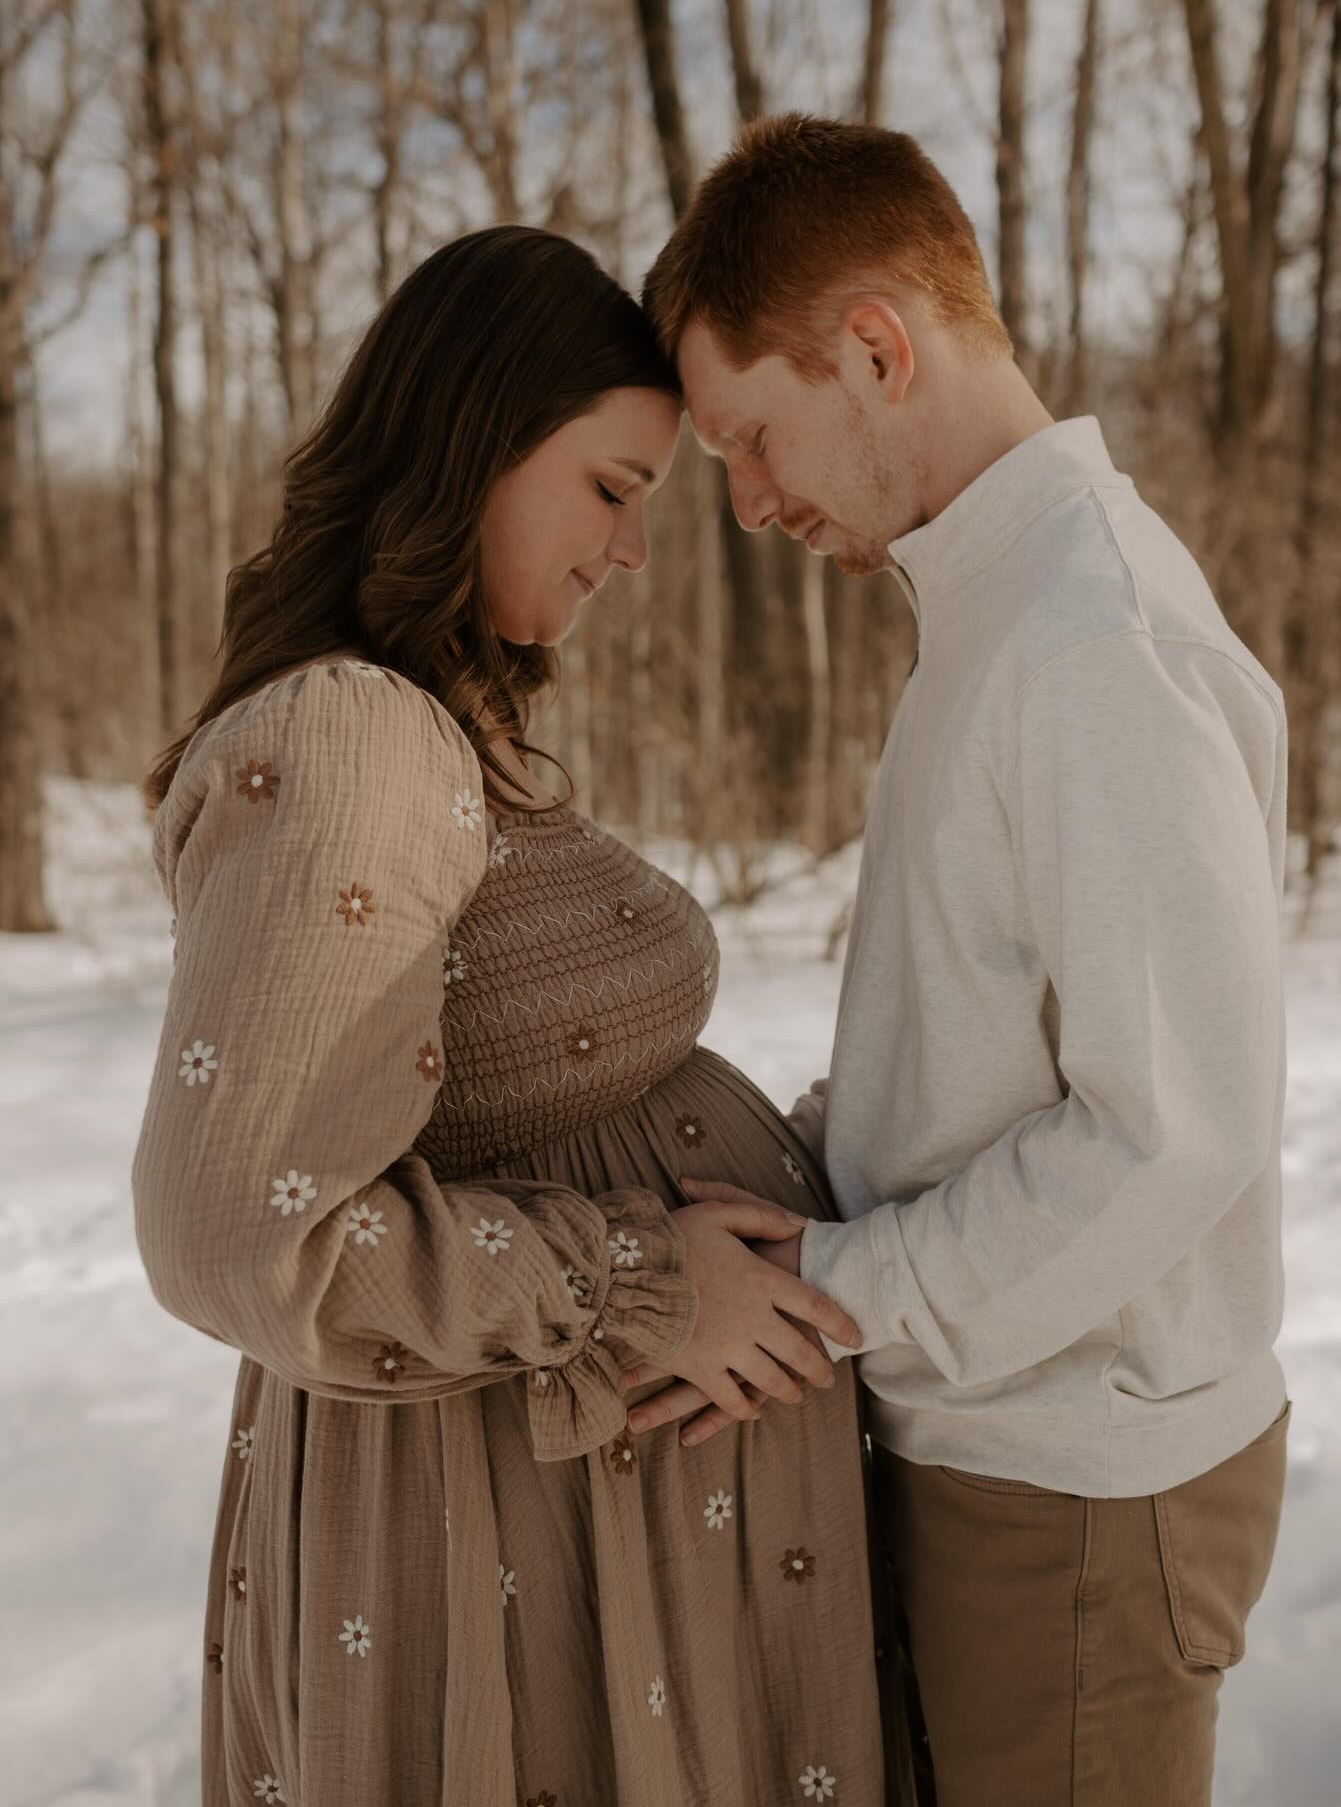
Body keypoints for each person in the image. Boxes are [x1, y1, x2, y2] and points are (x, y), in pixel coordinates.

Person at [131, 225, 914, 1807]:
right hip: (498, 1526)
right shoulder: (353, 736)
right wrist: (637, 1288)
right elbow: (241, 1232)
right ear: (473, 446)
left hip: (577, 1507)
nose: (633, 552)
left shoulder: (436, 722)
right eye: (611, 489)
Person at [632, 113, 1292, 1807]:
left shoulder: (1092, 641)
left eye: (751, 439)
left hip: (1076, 1492)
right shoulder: (1000, 616)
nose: (752, 503)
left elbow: (1176, 1129)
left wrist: (838, 1289)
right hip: (999, 1448)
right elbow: (987, 1045)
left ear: (874, 349)